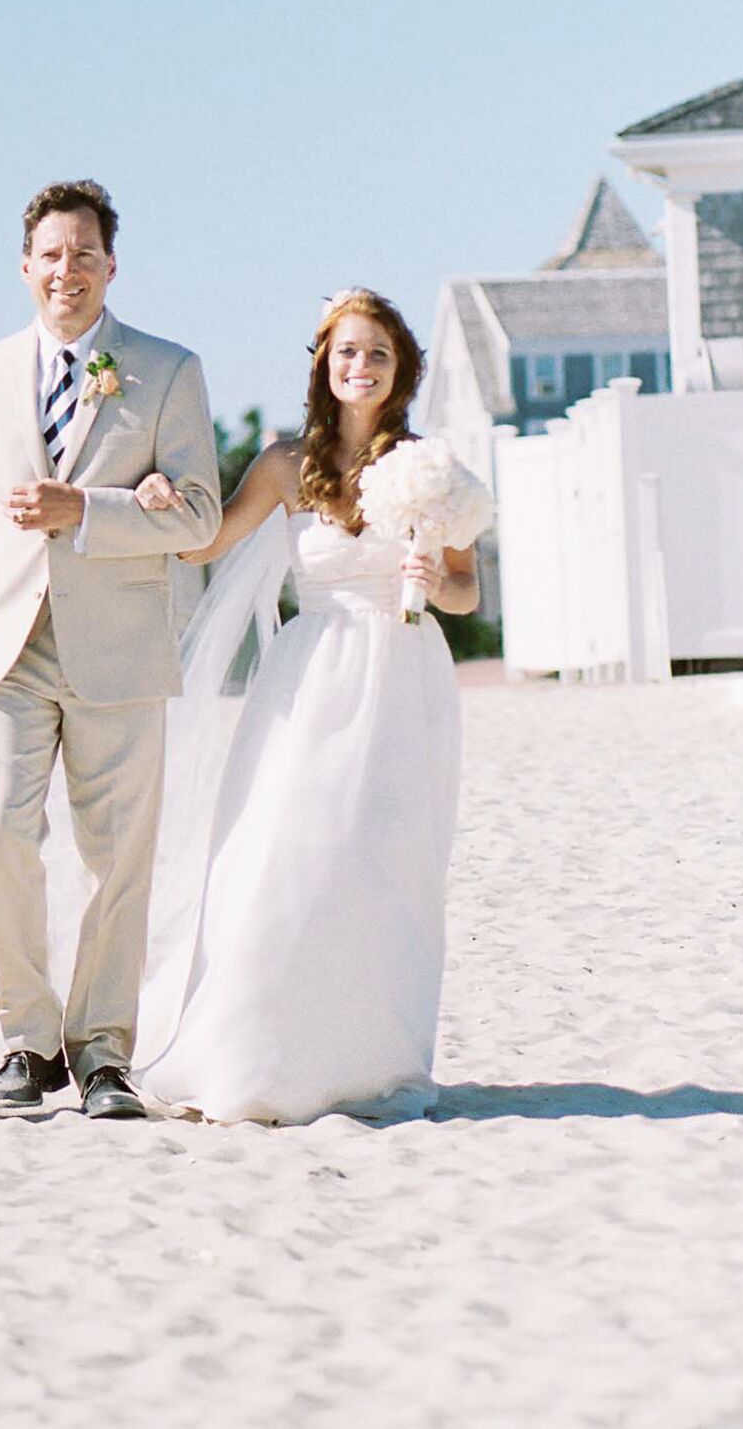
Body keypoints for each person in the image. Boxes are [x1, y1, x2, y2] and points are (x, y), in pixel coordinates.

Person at [0, 180, 220, 1120]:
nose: (65, 269)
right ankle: (26, 1040)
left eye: (83, 253)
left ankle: (105, 1048)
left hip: (118, 650)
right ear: (25, 266)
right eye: (49, 254)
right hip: (7, 647)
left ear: (111, 265)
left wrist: (91, 511)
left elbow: (197, 517)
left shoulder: (169, 369)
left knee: (119, 858)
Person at [134, 288, 485, 1127]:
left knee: (380, 868)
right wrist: (155, 497)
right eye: (345, 352)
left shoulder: (433, 466)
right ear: (323, 365)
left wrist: (441, 582)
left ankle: (362, 1063)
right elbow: (205, 542)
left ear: (401, 371)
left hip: (401, 680)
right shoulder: (286, 464)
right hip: (310, 675)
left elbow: (471, 590)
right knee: (279, 856)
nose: (358, 367)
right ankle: (254, 1055)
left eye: (376, 354)